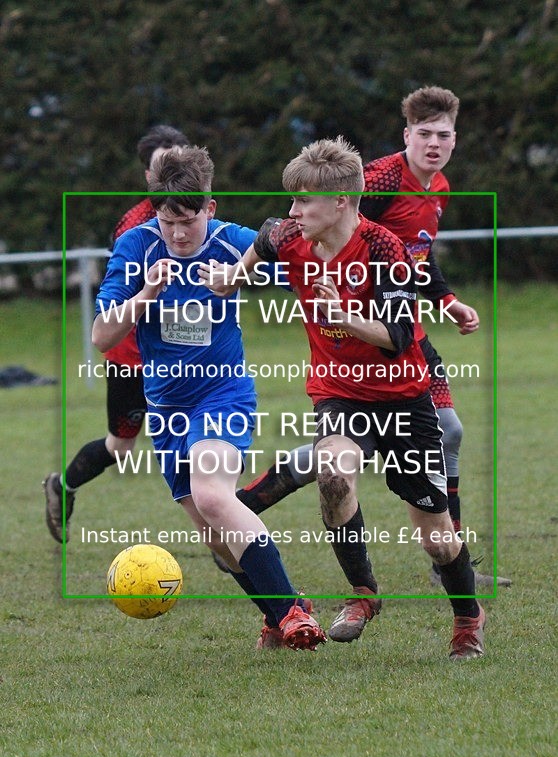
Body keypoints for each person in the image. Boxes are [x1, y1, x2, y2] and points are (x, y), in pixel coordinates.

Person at [200, 135, 485, 660]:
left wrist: (343, 317)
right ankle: (363, 593)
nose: (294, 211)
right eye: (292, 200)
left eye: (304, 200)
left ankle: (468, 616)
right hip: (338, 393)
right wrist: (232, 277)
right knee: (333, 472)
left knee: (437, 536)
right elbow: (264, 239)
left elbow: (399, 335)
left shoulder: (383, 249)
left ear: (341, 201)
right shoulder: (290, 235)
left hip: (404, 398)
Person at [232, 86, 510, 590]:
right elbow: (351, 232)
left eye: (443, 135)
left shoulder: (438, 187)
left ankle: (447, 557)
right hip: (369, 330)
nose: (434, 144)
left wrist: (447, 300)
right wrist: (333, 292)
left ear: (455, 139)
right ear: (406, 135)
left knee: (446, 431)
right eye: (424, 134)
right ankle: (438, 561)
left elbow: (416, 254)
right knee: (414, 436)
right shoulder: (382, 179)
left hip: (401, 329)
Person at [91, 145, 326, 651]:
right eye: (167, 221)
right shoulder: (136, 247)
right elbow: (102, 336)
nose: (178, 234)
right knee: (217, 539)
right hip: (166, 409)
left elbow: (300, 266)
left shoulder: (230, 242)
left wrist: (256, 269)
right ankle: (281, 613)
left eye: (188, 221)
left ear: (210, 208)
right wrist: (144, 295)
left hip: (222, 394)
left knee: (214, 496)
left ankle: (291, 614)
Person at [43, 125, 190, 543]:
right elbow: (121, 298)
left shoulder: (199, 214)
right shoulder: (135, 226)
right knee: (121, 447)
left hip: (184, 353)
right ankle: (62, 486)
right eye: (164, 166)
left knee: (202, 436)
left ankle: (225, 527)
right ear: (148, 175)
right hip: (134, 356)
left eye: (181, 162)